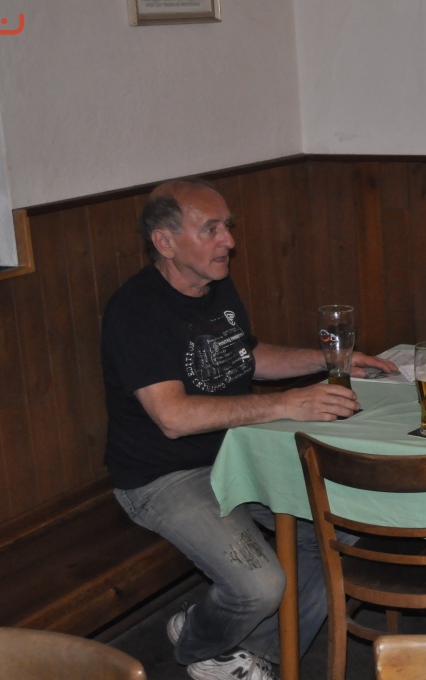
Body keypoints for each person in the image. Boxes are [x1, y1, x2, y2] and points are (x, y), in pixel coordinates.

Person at [101, 178, 395, 680]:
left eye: (228, 227)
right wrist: (288, 404)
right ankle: (201, 642)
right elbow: (173, 418)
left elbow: (246, 357)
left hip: (234, 453)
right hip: (162, 477)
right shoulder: (136, 310)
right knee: (260, 585)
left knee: (341, 531)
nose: (229, 241)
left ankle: (246, 652)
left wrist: (332, 362)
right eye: (211, 229)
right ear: (165, 242)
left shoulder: (214, 287)